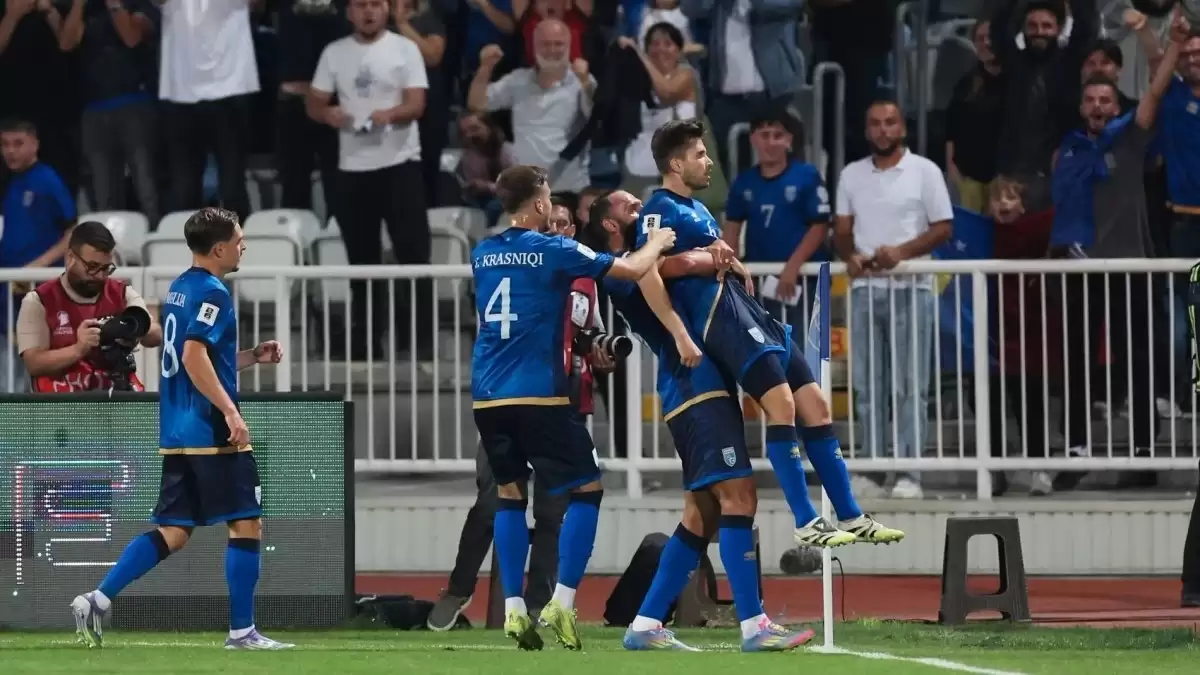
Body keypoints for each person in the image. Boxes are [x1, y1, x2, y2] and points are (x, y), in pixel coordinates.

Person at [632, 119, 897, 547]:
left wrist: (724, 258)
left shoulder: (698, 210)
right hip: (721, 319)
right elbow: (648, 268)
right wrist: (702, 269)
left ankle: (851, 516)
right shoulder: (659, 209)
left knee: (816, 405)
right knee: (782, 404)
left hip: (750, 312)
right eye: (700, 154)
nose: (708, 161)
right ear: (676, 164)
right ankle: (806, 520)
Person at [586, 189, 815, 652]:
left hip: (701, 385)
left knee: (702, 513)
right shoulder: (623, 269)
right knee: (739, 496)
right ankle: (754, 626)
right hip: (693, 388)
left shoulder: (641, 258)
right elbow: (673, 267)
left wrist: (714, 251)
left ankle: (645, 623)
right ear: (610, 225)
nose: (641, 210)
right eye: (629, 207)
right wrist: (713, 254)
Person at [470, 164, 676, 650]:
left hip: (488, 395)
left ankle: (514, 608)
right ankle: (562, 601)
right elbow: (630, 269)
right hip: (539, 395)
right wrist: (657, 242)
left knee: (510, 496)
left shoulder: (482, 253)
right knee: (587, 488)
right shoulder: (553, 249)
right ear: (541, 203)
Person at [70, 207, 292, 650]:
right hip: (209, 429)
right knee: (246, 523)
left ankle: (97, 599)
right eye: (239, 240)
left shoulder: (180, 289)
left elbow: (201, 358)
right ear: (219, 248)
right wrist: (231, 412)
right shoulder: (213, 292)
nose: (244, 246)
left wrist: (251, 356)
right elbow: (192, 356)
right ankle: (242, 631)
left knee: (175, 530)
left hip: (176, 429)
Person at [425, 197, 604, 632]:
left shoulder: (582, 281)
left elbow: (589, 333)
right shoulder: (528, 266)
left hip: (560, 399)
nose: (556, 229)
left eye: (564, 224)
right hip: (519, 394)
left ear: (572, 230)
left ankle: (538, 604)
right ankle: (459, 588)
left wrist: (598, 350)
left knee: (551, 512)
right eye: (551, 221)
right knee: (493, 501)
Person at [832, 100, 953, 499]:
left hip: (912, 287)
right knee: (867, 385)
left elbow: (943, 227)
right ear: (867, 130)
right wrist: (850, 255)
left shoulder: (925, 170)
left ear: (902, 128)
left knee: (910, 385)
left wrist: (901, 253)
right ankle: (872, 468)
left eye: (890, 123)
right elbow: (842, 230)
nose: (883, 130)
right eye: (875, 123)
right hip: (866, 289)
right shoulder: (851, 174)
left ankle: (909, 473)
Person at [307, 0, 433, 361]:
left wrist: (390, 114)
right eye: (361, 5)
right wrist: (327, 113)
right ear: (350, 12)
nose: (368, 12)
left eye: (375, 4)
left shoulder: (405, 48)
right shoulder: (334, 52)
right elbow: (314, 102)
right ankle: (367, 346)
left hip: (400, 165)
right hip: (353, 170)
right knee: (362, 261)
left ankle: (419, 345)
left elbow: (417, 103)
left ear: (387, 10)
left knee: (413, 255)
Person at [723, 107, 830, 345]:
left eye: (778, 135)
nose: (770, 142)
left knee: (805, 350)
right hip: (760, 281)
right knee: (764, 350)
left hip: (804, 282)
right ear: (753, 139)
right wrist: (730, 270)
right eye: (764, 135)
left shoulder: (807, 176)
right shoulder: (744, 182)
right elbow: (731, 230)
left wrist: (792, 268)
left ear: (789, 140)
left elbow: (820, 226)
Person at [17, 222, 163, 393]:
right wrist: (78, 349)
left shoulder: (122, 293)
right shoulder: (39, 300)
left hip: (113, 397)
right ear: (70, 258)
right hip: (61, 403)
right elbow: (34, 363)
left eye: (106, 268)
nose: (100, 276)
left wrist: (127, 327)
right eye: (92, 267)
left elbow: (156, 335)